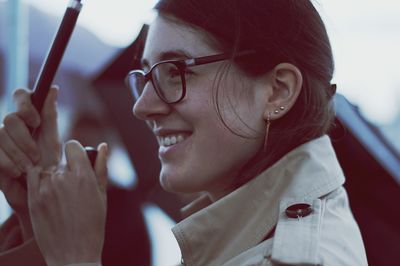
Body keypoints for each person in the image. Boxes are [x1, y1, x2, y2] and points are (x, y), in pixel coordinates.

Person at [0, 0, 368, 265]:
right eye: (145, 76)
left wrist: (74, 258)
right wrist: (39, 219)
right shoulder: (239, 239)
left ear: (277, 90)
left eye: (175, 71)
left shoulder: (295, 258)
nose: (142, 106)